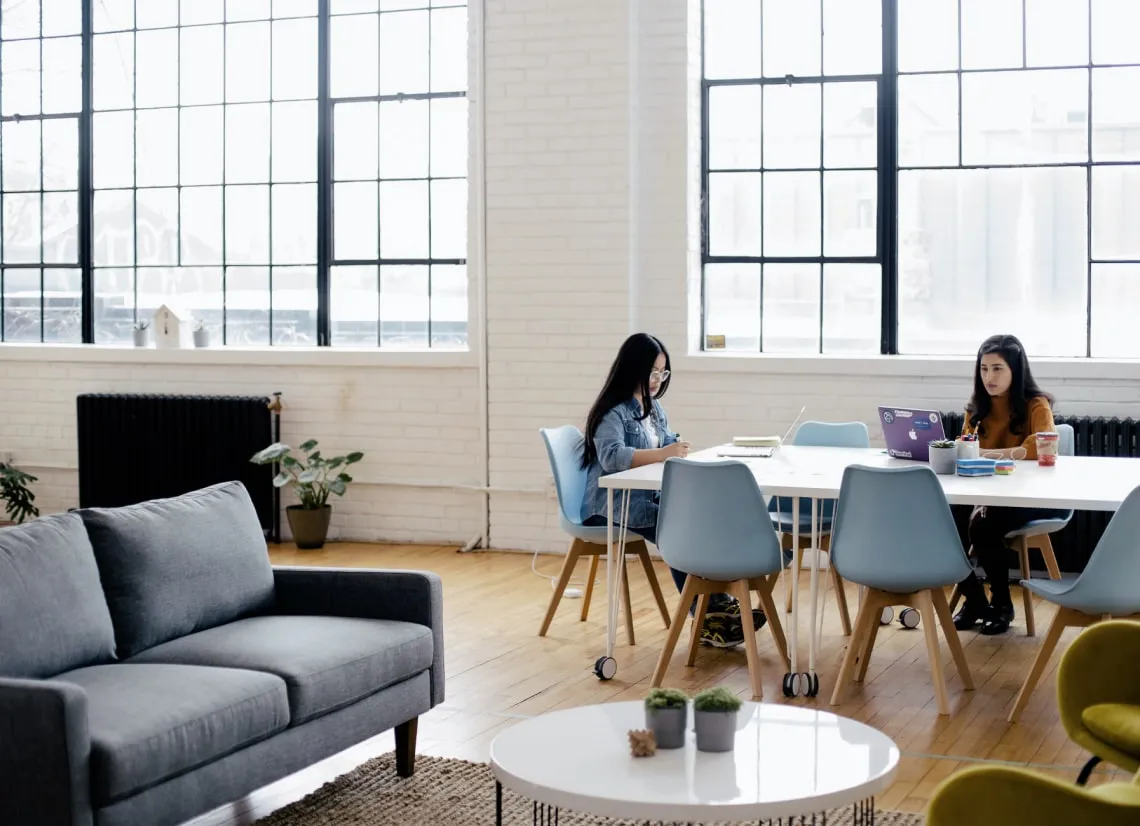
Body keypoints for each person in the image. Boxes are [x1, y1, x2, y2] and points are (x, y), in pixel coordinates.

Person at [579, 332, 765, 648]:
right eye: (652, 371)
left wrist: (673, 446)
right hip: (611, 505)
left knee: (698, 516)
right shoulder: (613, 411)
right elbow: (612, 458)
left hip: (646, 497)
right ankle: (708, 617)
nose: (657, 379)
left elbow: (663, 442)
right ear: (632, 367)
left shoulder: (654, 408)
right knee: (680, 529)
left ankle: (716, 607)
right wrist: (664, 453)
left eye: (662, 373)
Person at [951, 334, 1064, 636]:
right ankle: (974, 598)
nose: (989, 376)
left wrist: (987, 454)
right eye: (984, 369)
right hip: (983, 492)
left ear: (1016, 370)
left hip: (1028, 497)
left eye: (998, 369)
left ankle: (1001, 603)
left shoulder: (1035, 405)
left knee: (983, 525)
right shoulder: (976, 408)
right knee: (944, 521)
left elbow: (1040, 446)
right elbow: (965, 446)